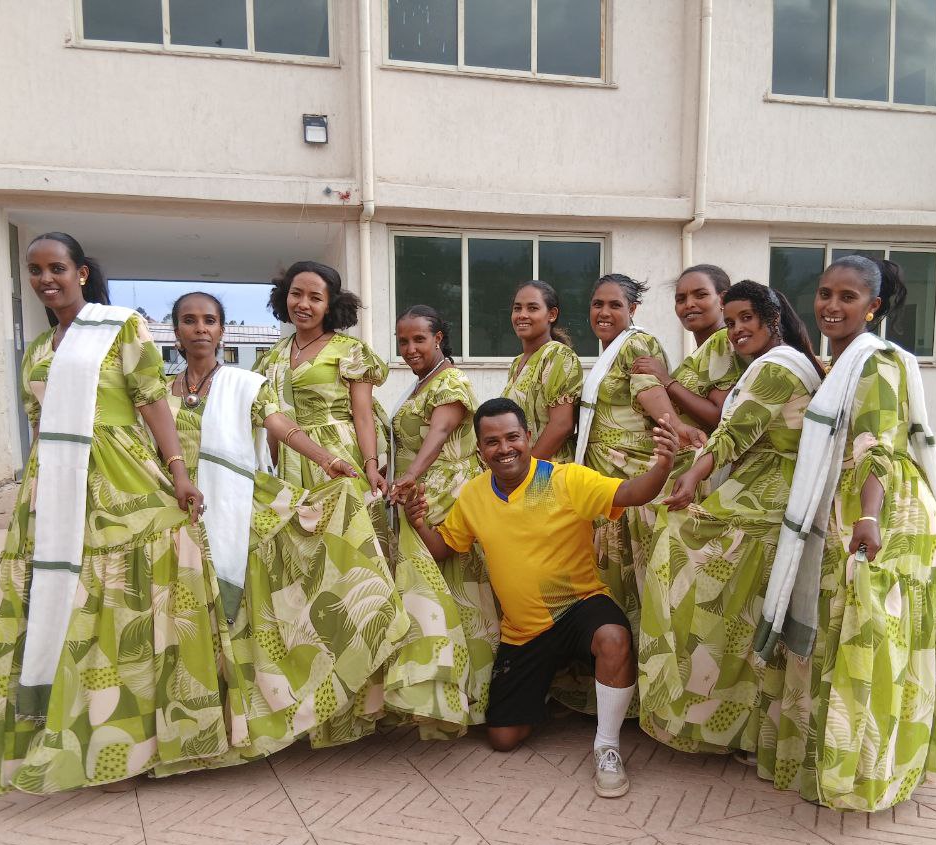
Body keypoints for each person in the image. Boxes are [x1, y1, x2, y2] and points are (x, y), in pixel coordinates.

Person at [0, 233, 224, 795]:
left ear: (81, 273)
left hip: (121, 479)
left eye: (56, 268)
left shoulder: (119, 327)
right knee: (64, 606)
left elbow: (153, 402)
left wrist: (179, 473)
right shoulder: (37, 350)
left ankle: (135, 739)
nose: (45, 279)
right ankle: (71, 733)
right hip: (56, 489)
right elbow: (39, 427)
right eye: (35, 270)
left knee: (125, 607)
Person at [754, 255, 936, 811]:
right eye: (824, 293)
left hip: (883, 515)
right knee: (838, 634)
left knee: (869, 642)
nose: (831, 306)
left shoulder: (876, 363)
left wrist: (869, 517)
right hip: (847, 505)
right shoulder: (839, 363)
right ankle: (834, 764)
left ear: (873, 307)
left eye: (847, 297)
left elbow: (876, 447)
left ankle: (863, 775)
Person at [160, 292, 410, 763]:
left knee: (252, 610)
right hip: (182, 513)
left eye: (209, 320)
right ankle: (202, 723)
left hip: (236, 506)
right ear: (175, 332)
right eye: (189, 321)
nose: (200, 328)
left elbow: (281, 428)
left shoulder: (242, 384)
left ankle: (262, 715)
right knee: (193, 617)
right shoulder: (159, 392)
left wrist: (328, 460)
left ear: (222, 331)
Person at [402, 398, 680, 797]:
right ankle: (547, 689)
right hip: (524, 631)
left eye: (512, 437)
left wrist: (663, 466)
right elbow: (446, 548)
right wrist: (418, 522)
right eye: (492, 442)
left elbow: (632, 493)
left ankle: (607, 747)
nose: (504, 448)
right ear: (480, 450)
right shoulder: (474, 495)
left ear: (528, 437)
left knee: (614, 637)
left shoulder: (565, 479)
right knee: (503, 738)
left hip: (580, 605)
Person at [638, 281, 824, 758]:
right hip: (764, 493)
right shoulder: (781, 362)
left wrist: (691, 475)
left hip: (767, 500)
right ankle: (735, 722)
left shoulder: (777, 369)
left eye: (746, 319)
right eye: (731, 321)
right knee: (746, 615)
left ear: (771, 319)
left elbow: (733, 434)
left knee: (684, 554)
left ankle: (697, 706)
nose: (737, 329)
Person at [384, 306, 500, 738]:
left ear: (439, 338)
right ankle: (440, 697)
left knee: (460, 597)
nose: (410, 348)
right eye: (402, 341)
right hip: (420, 492)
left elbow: (437, 435)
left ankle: (473, 699)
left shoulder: (451, 382)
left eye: (419, 339)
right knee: (435, 598)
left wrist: (410, 477)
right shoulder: (420, 383)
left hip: (447, 495)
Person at [576, 274, 700, 640]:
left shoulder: (637, 342)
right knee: (615, 578)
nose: (604, 312)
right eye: (598, 304)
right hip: (608, 478)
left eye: (615, 305)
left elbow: (648, 389)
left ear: (632, 309)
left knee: (635, 579)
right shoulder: (610, 352)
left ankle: (644, 658)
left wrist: (675, 426)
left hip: (632, 478)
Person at [253, 261, 390, 535]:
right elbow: (271, 418)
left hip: (341, 455)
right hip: (290, 460)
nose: (303, 304)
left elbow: (363, 415)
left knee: (347, 538)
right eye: (296, 294)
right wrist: (268, 467)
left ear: (329, 306)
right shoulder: (272, 356)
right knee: (299, 545)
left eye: (315, 298)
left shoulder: (351, 350)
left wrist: (372, 466)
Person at [632, 264, 743, 434]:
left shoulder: (722, 341)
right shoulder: (705, 348)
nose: (689, 304)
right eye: (680, 299)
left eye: (701, 295)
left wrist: (667, 381)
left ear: (723, 299)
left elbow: (719, 417)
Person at [501, 280, 583, 461]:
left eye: (532, 308)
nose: (522, 315)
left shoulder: (558, 355)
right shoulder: (517, 362)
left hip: (548, 469)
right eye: (517, 308)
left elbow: (562, 425)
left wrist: (528, 468)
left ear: (552, 315)